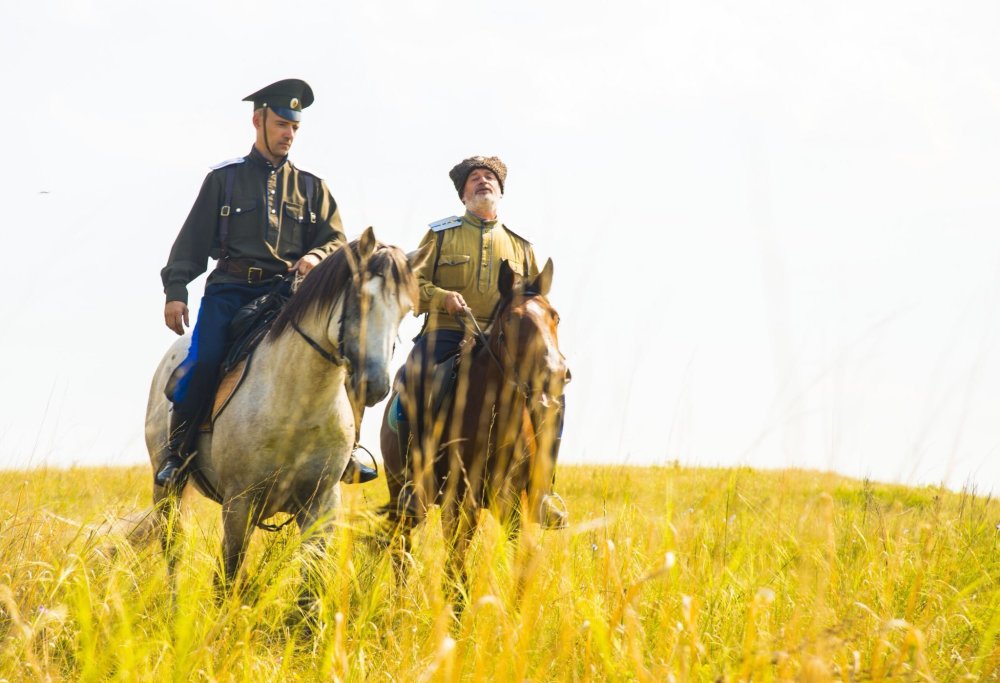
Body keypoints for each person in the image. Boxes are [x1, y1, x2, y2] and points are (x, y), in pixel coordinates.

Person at [155, 78, 376, 489]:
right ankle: (179, 453)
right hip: (230, 293)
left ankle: (350, 449)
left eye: (294, 128)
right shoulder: (224, 180)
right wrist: (175, 292)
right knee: (204, 360)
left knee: (344, 355)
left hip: (289, 297)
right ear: (258, 120)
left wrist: (314, 256)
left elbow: (336, 241)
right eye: (280, 125)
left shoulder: (313, 187)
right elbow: (191, 241)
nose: (288, 134)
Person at [390, 155, 568, 528]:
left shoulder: (522, 247)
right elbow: (412, 282)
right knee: (415, 379)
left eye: (490, 178)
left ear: (500, 191)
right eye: (474, 179)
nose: (483, 182)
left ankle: (543, 491)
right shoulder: (440, 235)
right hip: (446, 333)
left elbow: (535, 301)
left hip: (506, 342)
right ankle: (411, 481)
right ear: (463, 194)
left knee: (552, 396)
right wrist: (442, 297)